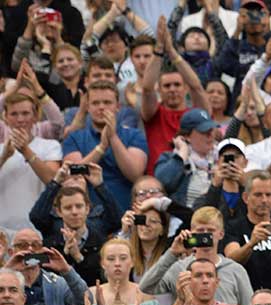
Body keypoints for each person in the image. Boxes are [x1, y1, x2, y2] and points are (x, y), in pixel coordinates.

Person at [61, 79, 149, 212]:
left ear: (118, 107)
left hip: (125, 214)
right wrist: (101, 148)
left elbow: (135, 174)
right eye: (95, 103)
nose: (101, 107)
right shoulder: (75, 137)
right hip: (88, 217)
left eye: (107, 102)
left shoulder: (134, 135)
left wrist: (112, 137)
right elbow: (73, 174)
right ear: (88, 107)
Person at [139, 17, 210, 175]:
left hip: (192, 180)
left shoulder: (197, 114)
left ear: (185, 88)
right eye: (167, 86)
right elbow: (147, 88)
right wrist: (158, 49)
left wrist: (172, 52)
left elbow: (197, 87)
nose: (172, 89)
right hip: (159, 180)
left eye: (177, 85)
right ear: (160, 90)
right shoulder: (154, 113)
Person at [224, 170, 271, 291]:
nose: (264, 200)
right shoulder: (234, 227)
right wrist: (251, 243)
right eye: (258, 195)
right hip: (245, 295)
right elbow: (230, 262)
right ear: (245, 198)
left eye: (268, 195)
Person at [0, 92, 62, 230]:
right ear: (5, 117)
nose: (20, 119)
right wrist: (4, 157)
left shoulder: (50, 146)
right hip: (2, 228)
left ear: (35, 116)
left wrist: (26, 151)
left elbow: (53, 181)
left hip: (37, 228)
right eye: (14, 114)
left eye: (25, 113)